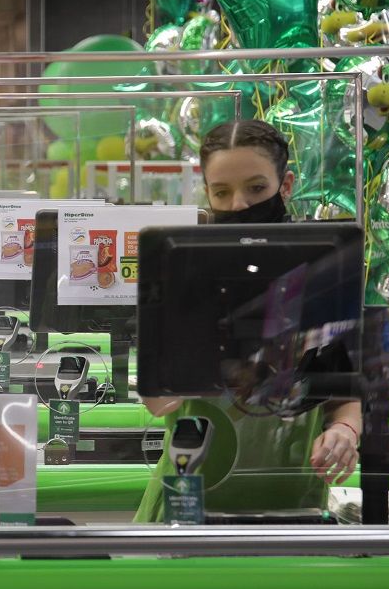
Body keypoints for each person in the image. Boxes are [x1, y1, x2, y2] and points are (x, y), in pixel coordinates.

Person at [134, 119, 361, 522]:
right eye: (222, 192)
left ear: (286, 185)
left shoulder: (324, 272)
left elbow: (343, 395)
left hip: (296, 504)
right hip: (190, 505)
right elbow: (160, 402)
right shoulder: (180, 272)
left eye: (256, 188)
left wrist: (345, 433)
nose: (238, 205)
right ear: (207, 193)